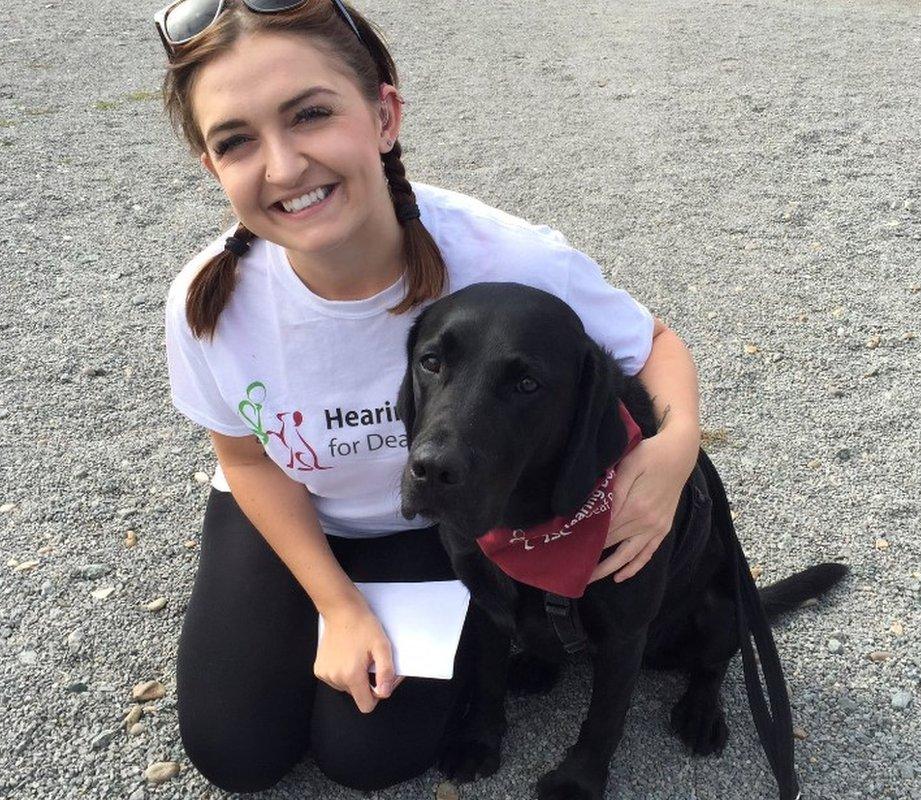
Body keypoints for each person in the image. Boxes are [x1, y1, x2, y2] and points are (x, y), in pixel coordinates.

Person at [157, 0, 702, 793]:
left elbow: (653, 346)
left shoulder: (503, 257)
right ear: (213, 166)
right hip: (296, 508)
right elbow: (245, 458)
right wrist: (337, 606)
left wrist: (675, 449)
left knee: (369, 756)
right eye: (236, 140)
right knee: (235, 752)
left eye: (310, 114)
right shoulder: (209, 299)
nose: (281, 167)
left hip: (445, 520)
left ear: (383, 115)